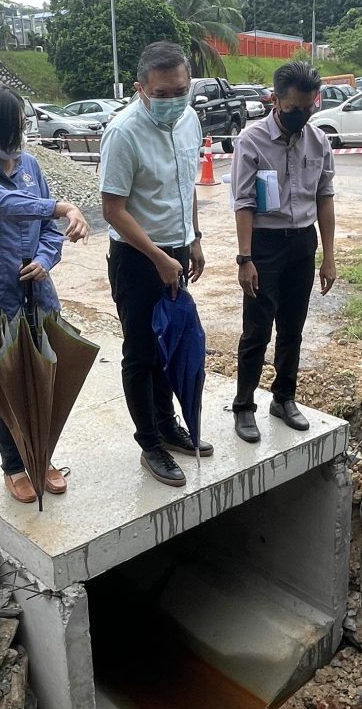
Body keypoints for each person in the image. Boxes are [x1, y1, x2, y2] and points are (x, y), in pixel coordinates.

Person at [0, 82, 89, 505]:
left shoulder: (30, 166)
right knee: (5, 386)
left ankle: (42, 456)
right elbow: (1, 204)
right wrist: (59, 206)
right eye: (18, 123)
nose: (24, 129)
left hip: (38, 298)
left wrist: (46, 259)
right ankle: (14, 464)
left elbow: (48, 231)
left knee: (43, 380)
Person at [99, 41, 211, 488]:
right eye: (162, 93)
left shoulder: (190, 121)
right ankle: (150, 444)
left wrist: (194, 239)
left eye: (180, 90)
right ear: (140, 88)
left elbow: (187, 186)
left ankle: (168, 426)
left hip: (176, 252)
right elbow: (112, 209)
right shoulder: (123, 132)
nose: (172, 100)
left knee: (172, 347)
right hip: (138, 257)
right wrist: (158, 257)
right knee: (142, 353)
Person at [230, 61, 336, 443]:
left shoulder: (318, 141)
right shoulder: (252, 141)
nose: (301, 116)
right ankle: (244, 407)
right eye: (293, 109)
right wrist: (246, 258)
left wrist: (329, 256)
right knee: (256, 330)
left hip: (302, 244)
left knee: (292, 329)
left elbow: (325, 199)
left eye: (308, 109)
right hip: (265, 245)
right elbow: (243, 201)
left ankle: (284, 397)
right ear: (275, 100)